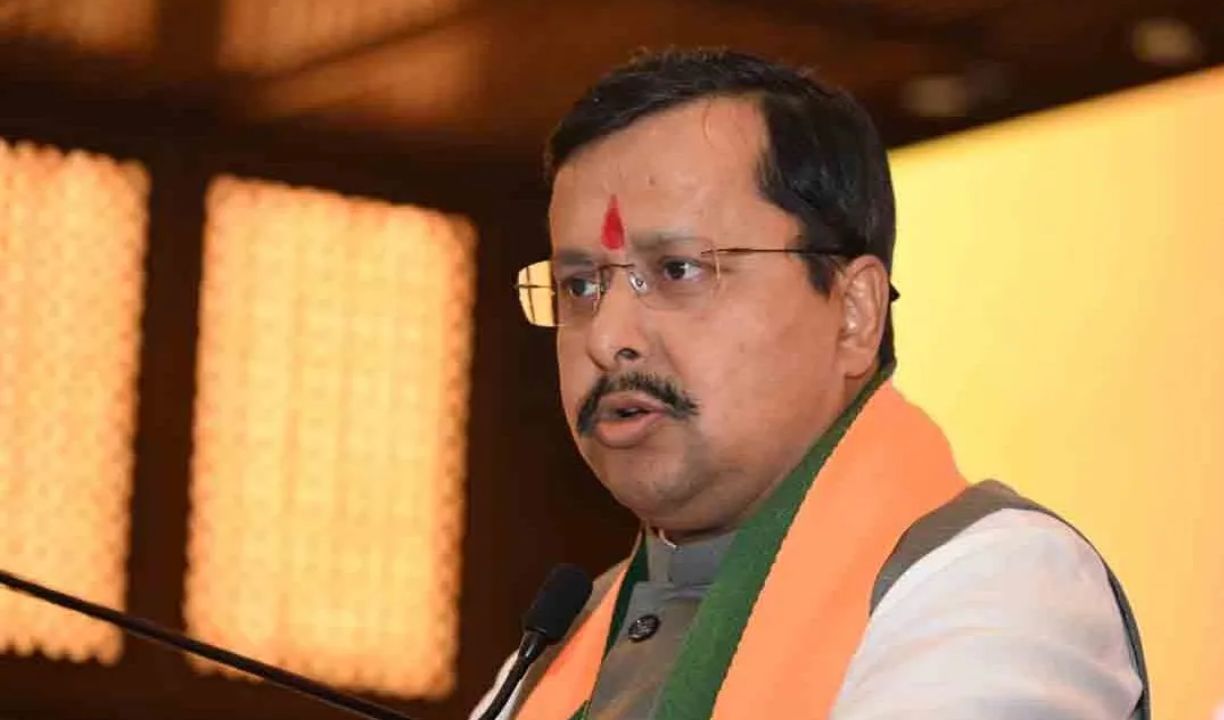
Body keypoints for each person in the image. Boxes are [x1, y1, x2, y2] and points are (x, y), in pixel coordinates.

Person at [480, 49, 1148, 720]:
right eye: (580, 286)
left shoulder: (998, 584)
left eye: (679, 269)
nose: (606, 336)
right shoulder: (562, 643)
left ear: (854, 311)